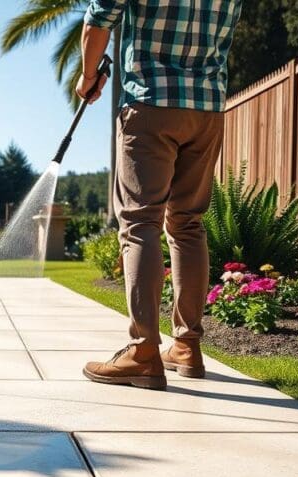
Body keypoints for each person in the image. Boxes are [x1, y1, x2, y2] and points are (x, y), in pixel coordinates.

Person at [79, 0, 242, 390]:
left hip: (150, 102)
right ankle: (186, 345)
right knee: (188, 223)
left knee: (140, 224)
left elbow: (98, 20)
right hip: (207, 109)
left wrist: (88, 77)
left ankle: (143, 351)